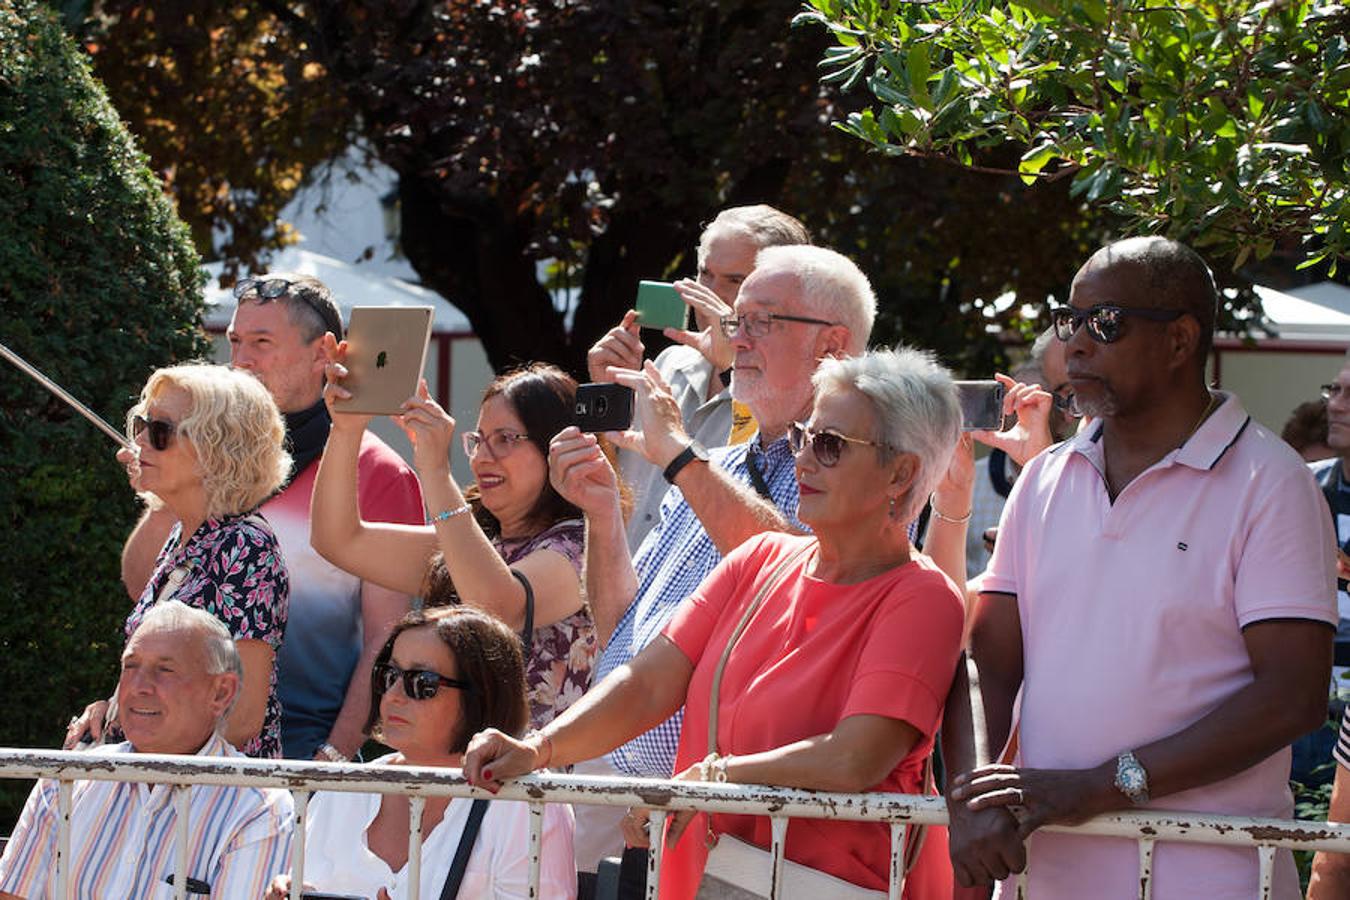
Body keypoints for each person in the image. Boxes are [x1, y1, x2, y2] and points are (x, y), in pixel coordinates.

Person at [464, 347, 967, 899]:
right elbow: (647, 682)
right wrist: (538, 748)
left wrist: (715, 779)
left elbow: (856, 756)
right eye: (805, 437)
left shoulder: (923, 595)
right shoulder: (760, 558)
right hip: (704, 875)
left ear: (902, 473)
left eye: (830, 446)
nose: (802, 462)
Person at [943, 236, 1337, 900]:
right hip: (1043, 872)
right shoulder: (1042, 479)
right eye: (1070, 321)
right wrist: (975, 791)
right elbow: (988, 660)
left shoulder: (1273, 483)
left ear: (1181, 340)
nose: (1076, 346)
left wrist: (1099, 785)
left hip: (1204, 875)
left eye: (1105, 323)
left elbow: (1291, 697)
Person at [119, 274, 425, 762]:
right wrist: (165, 489)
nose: (241, 361)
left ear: (324, 351)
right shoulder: (202, 460)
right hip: (188, 744)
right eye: (235, 341)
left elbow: (388, 638)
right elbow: (145, 597)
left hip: (298, 751)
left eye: (262, 343)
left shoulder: (379, 472)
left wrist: (335, 755)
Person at [311, 361, 595, 728]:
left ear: (556, 447)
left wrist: (435, 471)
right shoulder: (479, 544)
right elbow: (337, 540)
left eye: (506, 439)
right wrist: (346, 430)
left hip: (534, 782)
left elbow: (497, 608)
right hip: (458, 776)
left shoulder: (581, 545)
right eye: (478, 441)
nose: (482, 457)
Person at [265, 606, 575, 900]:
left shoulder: (527, 802)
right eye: (389, 675)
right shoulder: (343, 790)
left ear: (481, 694)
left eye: (421, 683)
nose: (394, 695)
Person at [67, 363, 291, 758]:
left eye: (160, 431)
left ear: (215, 449)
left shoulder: (245, 546)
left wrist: (134, 748)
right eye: (141, 424)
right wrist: (114, 712)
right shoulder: (186, 536)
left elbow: (242, 719)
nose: (138, 441)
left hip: (210, 803)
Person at [1, 601, 293, 898]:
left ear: (220, 692)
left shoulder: (258, 808)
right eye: (131, 666)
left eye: (164, 670)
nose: (139, 686)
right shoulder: (64, 781)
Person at [588, 205, 812, 550]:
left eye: (736, 281)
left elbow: (764, 495)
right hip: (631, 592)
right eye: (705, 275)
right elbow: (610, 490)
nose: (710, 294)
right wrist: (609, 395)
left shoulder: (801, 392)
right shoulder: (669, 363)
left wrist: (735, 367)